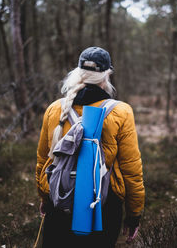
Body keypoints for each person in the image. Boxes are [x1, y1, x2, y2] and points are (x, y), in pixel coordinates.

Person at [36, 47, 145, 248]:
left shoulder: (55, 109)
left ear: (78, 72)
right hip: (103, 206)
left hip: (59, 199)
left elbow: (44, 160)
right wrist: (133, 215)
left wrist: (45, 196)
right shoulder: (121, 112)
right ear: (107, 74)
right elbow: (131, 170)